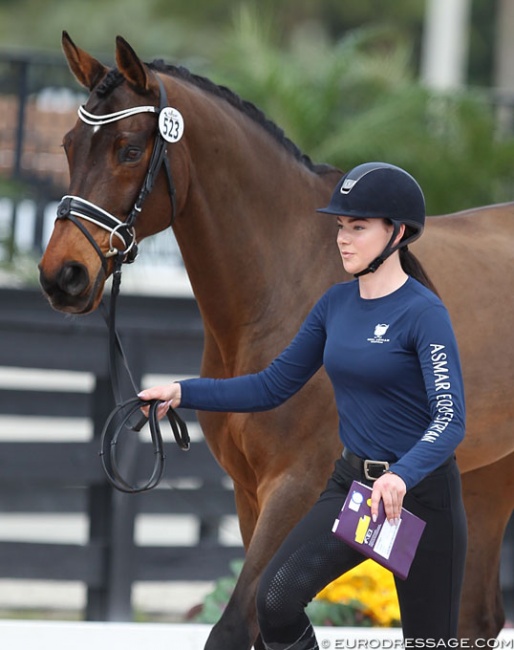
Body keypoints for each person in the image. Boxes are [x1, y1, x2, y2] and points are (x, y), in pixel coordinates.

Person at [138, 162, 467, 646]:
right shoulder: (334, 305)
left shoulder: (424, 314)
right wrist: (185, 392)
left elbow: (450, 418)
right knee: (274, 600)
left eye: (358, 227)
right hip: (356, 489)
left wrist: (402, 474)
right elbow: (271, 386)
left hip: (418, 500)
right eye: (340, 226)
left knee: (428, 642)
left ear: (396, 233)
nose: (343, 238)